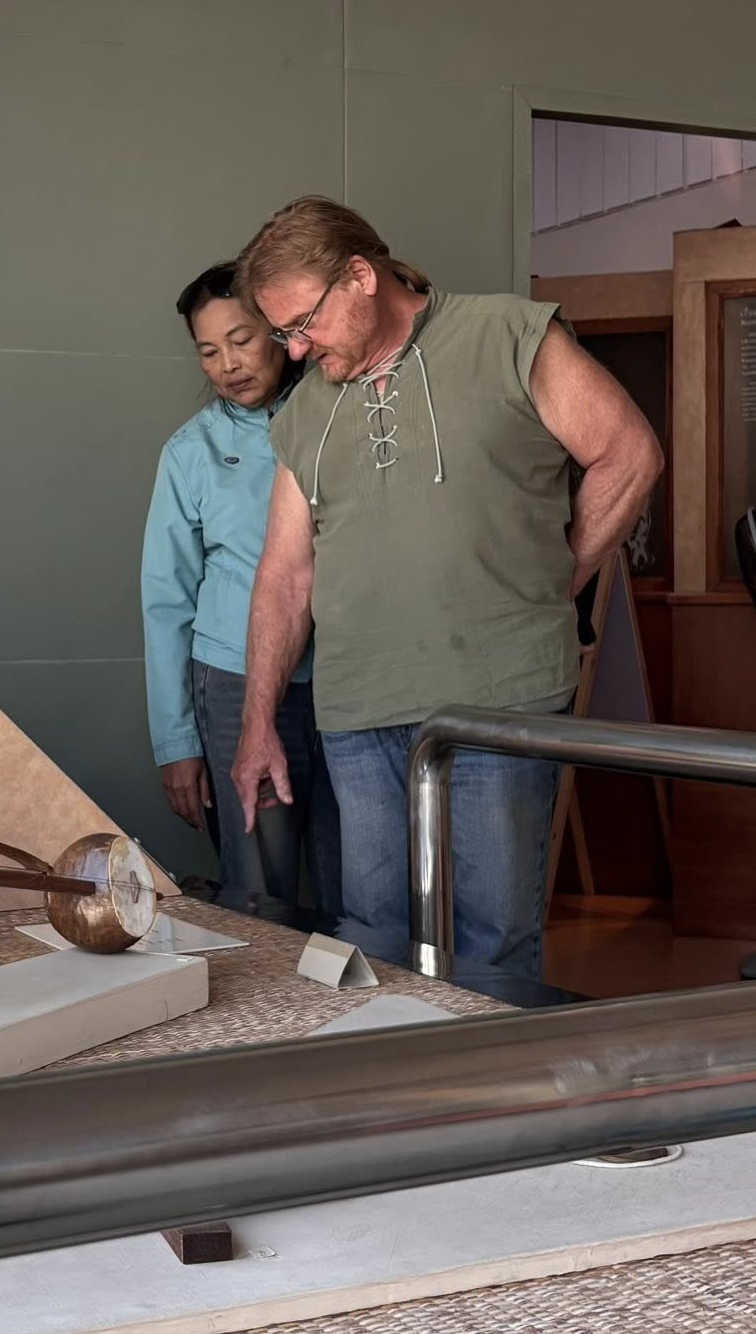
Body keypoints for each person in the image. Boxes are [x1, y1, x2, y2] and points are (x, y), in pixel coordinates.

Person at [228, 198, 662, 977]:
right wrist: (257, 722)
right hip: (358, 714)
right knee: (373, 941)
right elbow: (285, 576)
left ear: (360, 277)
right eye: (283, 333)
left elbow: (629, 454)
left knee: (493, 942)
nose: (294, 351)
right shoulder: (305, 412)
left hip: (497, 699)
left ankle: (495, 1066)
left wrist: (550, 581)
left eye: (303, 324)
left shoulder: (509, 334)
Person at [141, 262, 340, 926]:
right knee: (261, 887)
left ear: (281, 331)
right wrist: (176, 743)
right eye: (208, 351)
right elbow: (166, 602)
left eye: (242, 339)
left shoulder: (339, 419)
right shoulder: (190, 452)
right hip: (236, 680)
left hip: (347, 679)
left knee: (363, 886)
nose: (228, 364)